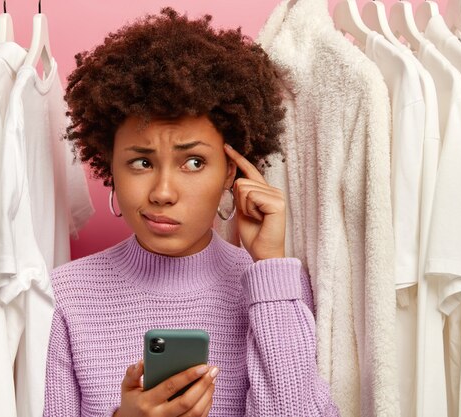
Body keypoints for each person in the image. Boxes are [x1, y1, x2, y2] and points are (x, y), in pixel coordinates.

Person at [43, 8, 339, 417]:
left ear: (230, 172)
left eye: (194, 162)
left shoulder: (276, 289)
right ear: (109, 166)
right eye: (141, 163)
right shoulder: (64, 297)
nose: (163, 193)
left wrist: (269, 266)